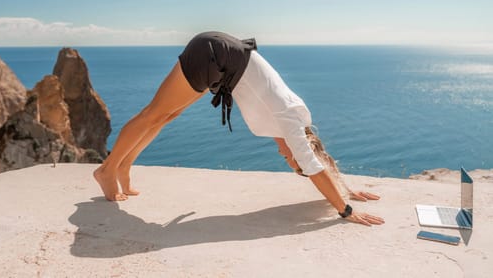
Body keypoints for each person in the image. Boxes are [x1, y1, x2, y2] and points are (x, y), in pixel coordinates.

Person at [94, 31, 384, 226]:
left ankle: (124, 165)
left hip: (224, 62)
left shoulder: (293, 122)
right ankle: (107, 169)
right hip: (215, 55)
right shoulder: (290, 122)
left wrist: (347, 189)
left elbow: (318, 158)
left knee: (165, 116)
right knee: (153, 112)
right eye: (290, 160)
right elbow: (313, 166)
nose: (286, 157)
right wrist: (346, 211)